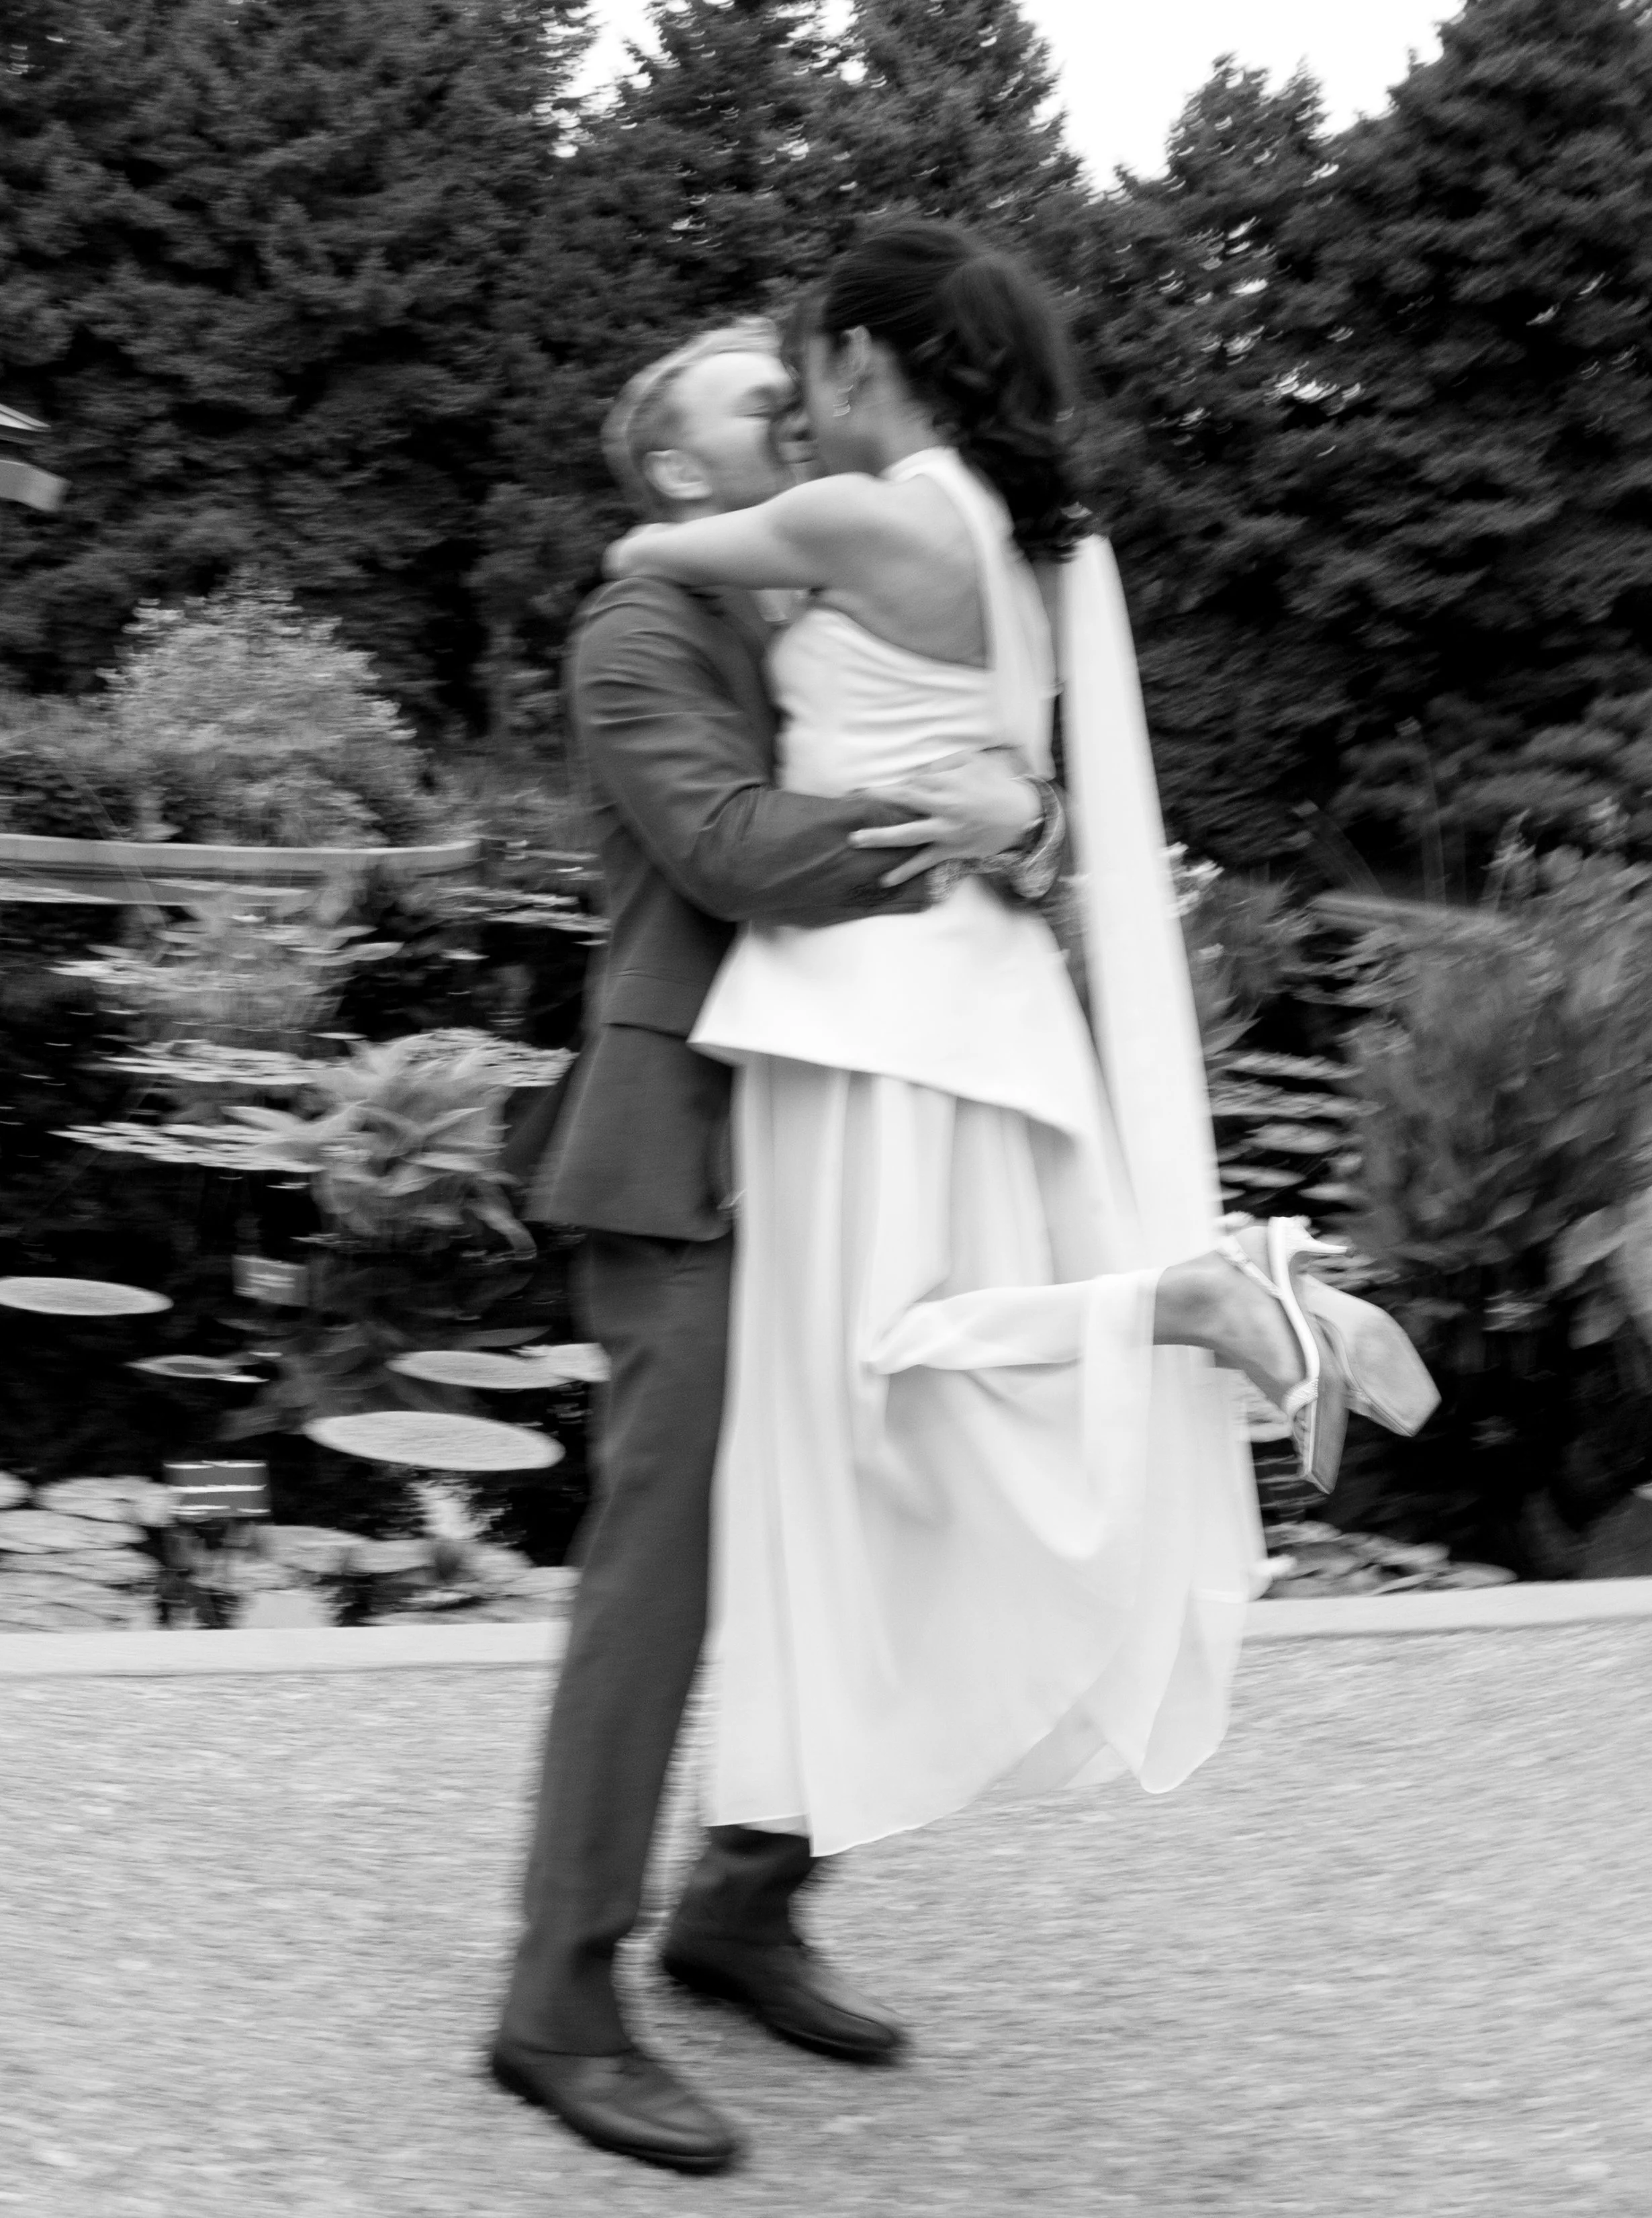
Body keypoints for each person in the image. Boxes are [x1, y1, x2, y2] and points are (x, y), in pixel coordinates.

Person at [608, 226, 1438, 1920]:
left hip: (860, 1011)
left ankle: (1198, 1306)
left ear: (858, 359)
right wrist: (1031, 818)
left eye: (800, 372)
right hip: (994, 1007)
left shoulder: (856, 517)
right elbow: (1018, 787)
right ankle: (760, 1876)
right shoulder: (1031, 540)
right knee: (894, 1389)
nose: (794, 405)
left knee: (867, 1374)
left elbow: (642, 545)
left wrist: (708, 510)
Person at [488, 317, 1067, 2177]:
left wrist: (1031, 814)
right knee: (658, 1590)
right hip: (691, 1166)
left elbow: (1017, 765)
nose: (804, 413)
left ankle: (742, 1896)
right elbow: (733, 849)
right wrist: (964, 827)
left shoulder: (834, 606)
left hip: (869, 1136)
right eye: (759, 401)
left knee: (895, 1500)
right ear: (673, 471)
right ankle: (555, 1994)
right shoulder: (640, 629)